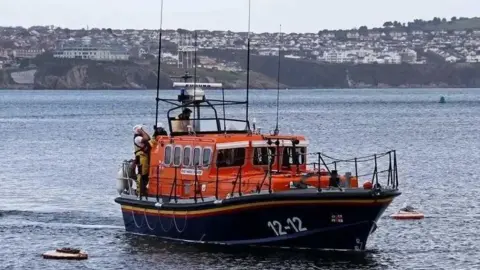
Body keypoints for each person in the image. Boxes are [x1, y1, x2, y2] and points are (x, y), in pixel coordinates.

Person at [133, 124, 155, 199]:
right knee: (141, 174)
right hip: (141, 158)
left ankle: (144, 189)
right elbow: (147, 138)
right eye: (141, 129)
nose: (143, 130)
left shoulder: (140, 137)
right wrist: (142, 132)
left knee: (146, 174)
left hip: (145, 158)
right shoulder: (137, 138)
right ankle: (139, 191)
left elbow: (149, 140)